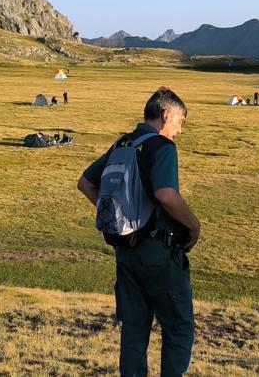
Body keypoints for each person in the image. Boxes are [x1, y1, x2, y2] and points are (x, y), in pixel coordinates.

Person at [77, 87, 200, 377]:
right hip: (158, 251)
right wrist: (194, 225)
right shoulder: (162, 147)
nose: (179, 131)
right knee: (179, 326)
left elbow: (85, 182)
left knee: (134, 328)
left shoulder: (122, 143)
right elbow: (166, 194)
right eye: (180, 122)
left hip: (125, 251)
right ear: (165, 114)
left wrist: (117, 216)